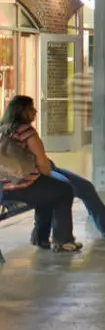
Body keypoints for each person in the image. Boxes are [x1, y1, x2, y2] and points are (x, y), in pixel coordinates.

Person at [0, 96, 82, 253]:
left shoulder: (2, 129)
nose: (35, 111)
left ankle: (41, 237)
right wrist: (46, 174)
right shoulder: (26, 131)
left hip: (3, 187)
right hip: (20, 186)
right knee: (63, 190)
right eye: (31, 108)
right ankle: (62, 240)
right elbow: (43, 163)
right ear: (22, 111)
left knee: (48, 190)